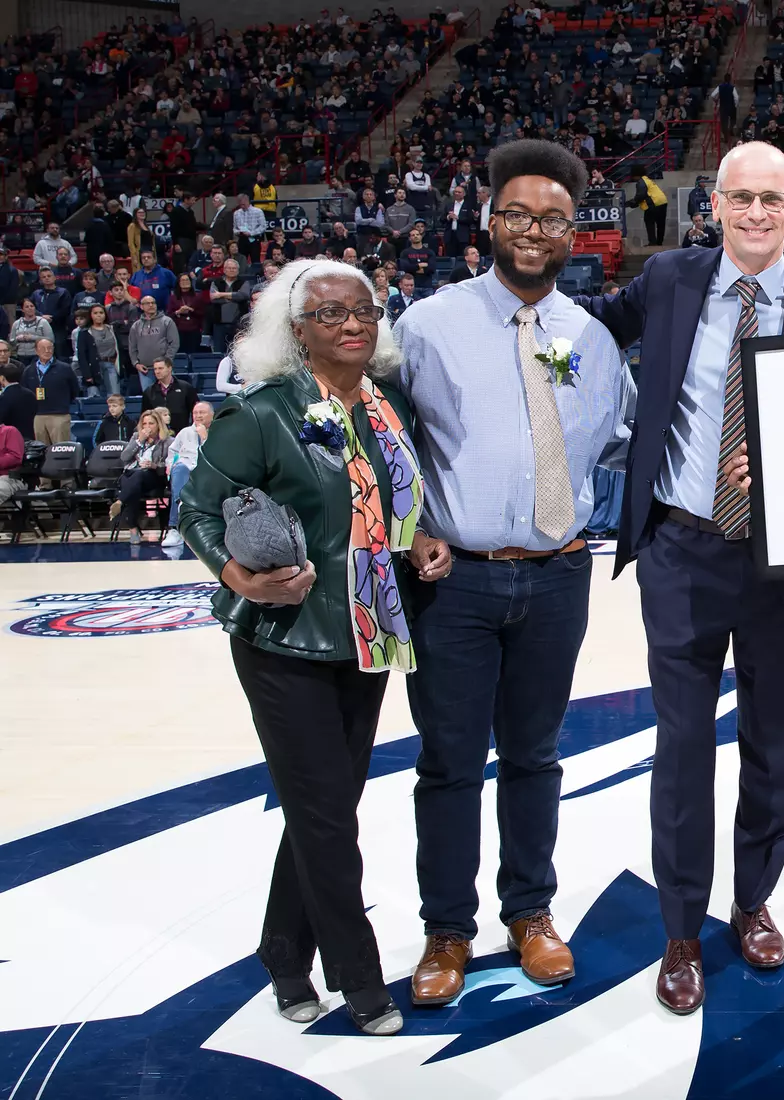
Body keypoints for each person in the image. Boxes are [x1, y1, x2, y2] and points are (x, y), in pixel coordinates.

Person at [576, 140, 784, 1015]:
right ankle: (682, 928)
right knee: (683, 749)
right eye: (743, 198)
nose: (758, 214)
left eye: (774, 199)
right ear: (717, 206)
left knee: (777, 745)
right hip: (681, 551)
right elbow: (576, 332)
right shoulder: (668, 281)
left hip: (781, 560)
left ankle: (753, 900)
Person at [394, 140, 635, 1011]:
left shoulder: (591, 338)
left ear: (578, 232)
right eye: (520, 216)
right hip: (454, 579)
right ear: (490, 221)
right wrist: (408, 530)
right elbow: (387, 447)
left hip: (558, 575)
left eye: (554, 220)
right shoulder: (426, 324)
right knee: (450, 761)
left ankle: (529, 913)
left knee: (535, 756)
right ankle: (446, 929)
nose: (535, 232)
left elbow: (617, 441)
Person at [180, 258, 437, 1037]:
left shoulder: (391, 404)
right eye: (330, 314)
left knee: (321, 806)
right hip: (284, 638)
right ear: (296, 331)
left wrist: (419, 540)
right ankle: (359, 979)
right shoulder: (262, 413)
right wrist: (237, 576)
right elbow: (197, 508)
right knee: (328, 816)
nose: (352, 323)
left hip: (370, 630)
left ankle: (282, 952)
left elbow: (391, 506)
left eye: (363, 311)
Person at [112, 408, 170, 544]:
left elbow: (170, 465)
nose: (147, 427)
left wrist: (154, 466)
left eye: (151, 423)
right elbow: (124, 457)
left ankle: (121, 503)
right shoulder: (135, 437)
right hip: (132, 476)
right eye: (144, 424)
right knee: (132, 481)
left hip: (153, 477)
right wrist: (139, 441)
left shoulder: (167, 441)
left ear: (158, 425)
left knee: (135, 477)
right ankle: (133, 528)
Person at [161, 401, 213, 547]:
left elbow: (217, 455)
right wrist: (170, 466)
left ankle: (180, 511)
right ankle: (175, 527)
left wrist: (205, 438)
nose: (198, 416)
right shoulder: (185, 432)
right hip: (184, 472)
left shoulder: (218, 431)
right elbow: (172, 453)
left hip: (208, 471)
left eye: (201, 412)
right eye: (195, 413)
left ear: (211, 415)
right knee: (179, 468)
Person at [23, 338, 77, 443]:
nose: (47, 351)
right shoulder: (29, 370)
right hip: (37, 416)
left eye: (49, 348)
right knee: (41, 450)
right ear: (36, 351)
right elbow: (25, 393)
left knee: (60, 449)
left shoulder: (65, 368)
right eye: (43, 348)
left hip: (59, 415)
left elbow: (74, 390)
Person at [140, 358, 198, 437]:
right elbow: (145, 415)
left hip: (182, 434)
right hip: (158, 436)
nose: (157, 372)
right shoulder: (149, 392)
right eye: (155, 369)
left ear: (169, 368)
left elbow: (195, 410)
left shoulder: (186, 388)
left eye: (160, 368)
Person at [167, 273, 209, 354]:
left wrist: (191, 310)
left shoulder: (198, 296)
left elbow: (203, 313)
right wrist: (178, 312)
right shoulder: (173, 297)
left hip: (194, 330)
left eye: (187, 280)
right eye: (182, 280)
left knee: (193, 353)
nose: (185, 282)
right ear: (178, 283)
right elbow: (169, 315)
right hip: (178, 331)